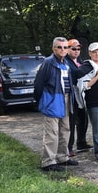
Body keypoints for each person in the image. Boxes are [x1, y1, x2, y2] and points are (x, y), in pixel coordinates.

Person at [34, 37, 79, 172]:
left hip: (66, 98)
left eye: (65, 47)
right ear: (54, 48)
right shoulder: (48, 62)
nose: (63, 50)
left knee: (65, 129)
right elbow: (38, 84)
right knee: (52, 132)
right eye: (59, 47)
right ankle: (48, 162)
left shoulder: (66, 63)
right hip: (52, 99)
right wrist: (41, 101)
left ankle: (62, 157)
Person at [64, 39, 91, 156]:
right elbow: (76, 74)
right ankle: (68, 146)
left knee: (83, 118)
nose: (76, 51)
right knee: (71, 120)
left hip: (81, 93)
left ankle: (81, 141)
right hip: (72, 93)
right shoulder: (65, 61)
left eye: (78, 49)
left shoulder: (80, 60)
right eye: (73, 49)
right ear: (68, 49)